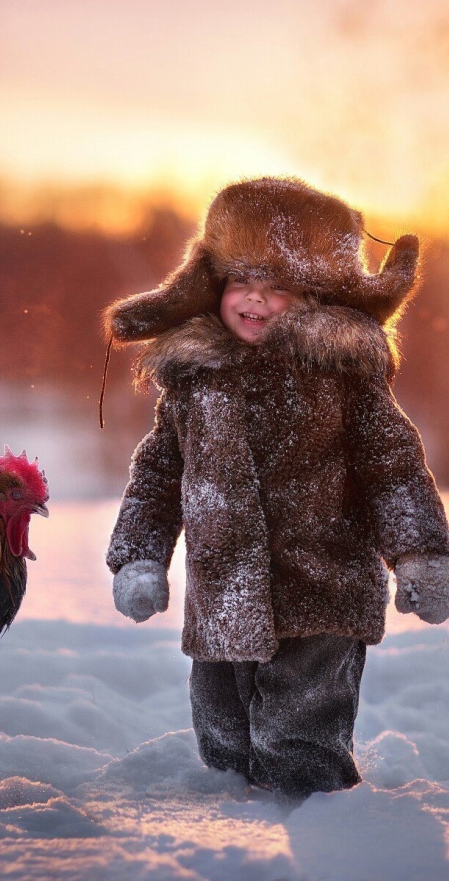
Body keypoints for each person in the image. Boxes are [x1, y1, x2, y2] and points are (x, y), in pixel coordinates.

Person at [103, 177, 449, 804]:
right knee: (223, 740)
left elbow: (392, 469)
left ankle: (316, 829)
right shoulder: (193, 384)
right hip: (222, 592)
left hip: (323, 587)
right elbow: (157, 478)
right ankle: (229, 831)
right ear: (214, 287)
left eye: (279, 286)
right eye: (241, 281)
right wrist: (139, 556)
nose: (255, 298)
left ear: (315, 296)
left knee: (298, 739)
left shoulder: (344, 379)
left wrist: (421, 553)